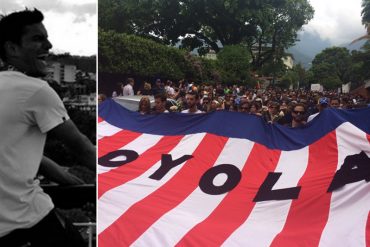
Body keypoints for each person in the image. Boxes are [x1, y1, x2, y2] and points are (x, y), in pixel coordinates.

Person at [0, 9, 95, 246]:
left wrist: (62, 175)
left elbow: (10, 150)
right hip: (25, 222)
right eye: (37, 39)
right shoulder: (35, 90)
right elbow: (81, 147)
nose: (49, 45)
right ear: (12, 49)